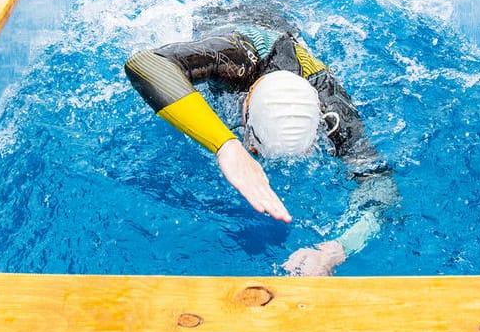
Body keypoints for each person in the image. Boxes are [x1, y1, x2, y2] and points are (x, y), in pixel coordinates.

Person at [124, 20, 398, 276]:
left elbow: (383, 193)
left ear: (318, 132)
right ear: (245, 113)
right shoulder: (234, 61)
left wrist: (337, 250)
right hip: (231, 21)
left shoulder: (336, 114)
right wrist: (226, 145)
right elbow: (145, 63)